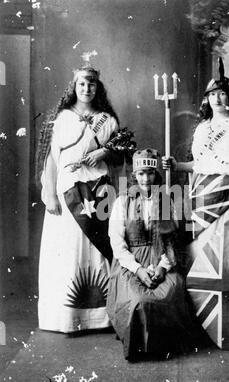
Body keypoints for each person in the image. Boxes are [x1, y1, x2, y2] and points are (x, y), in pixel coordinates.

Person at [162, 58, 229, 349]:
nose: (217, 98)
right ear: (207, 99)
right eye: (212, 94)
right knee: (204, 261)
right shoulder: (202, 129)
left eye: (222, 93)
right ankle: (205, 324)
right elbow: (199, 165)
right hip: (202, 201)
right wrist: (177, 164)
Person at [36, 65, 123, 333]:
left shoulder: (107, 120)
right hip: (67, 190)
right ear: (74, 87)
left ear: (98, 88)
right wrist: (50, 194)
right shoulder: (61, 118)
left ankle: (101, 316)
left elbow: (119, 158)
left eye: (92, 84)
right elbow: (50, 159)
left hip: (97, 190)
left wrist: (105, 153)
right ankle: (66, 317)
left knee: (97, 248)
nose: (87, 89)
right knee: (68, 250)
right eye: (82, 84)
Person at [107, 149, 198, 361]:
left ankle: (164, 345)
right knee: (139, 299)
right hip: (131, 263)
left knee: (171, 290)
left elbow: (171, 242)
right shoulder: (123, 202)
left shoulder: (165, 201)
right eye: (140, 174)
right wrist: (138, 269)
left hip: (162, 259)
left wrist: (162, 267)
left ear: (155, 174)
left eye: (149, 173)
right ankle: (140, 346)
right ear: (134, 176)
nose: (145, 179)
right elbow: (117, 243)